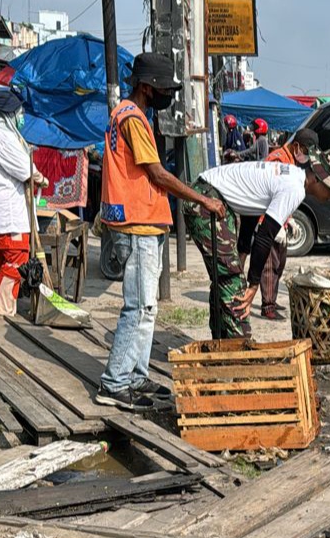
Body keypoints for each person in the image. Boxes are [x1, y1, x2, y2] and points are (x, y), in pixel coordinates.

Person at [95, 53, 226, 411]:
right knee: (138, 307)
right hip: (136, 223)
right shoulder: (132, 119)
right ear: (146, 87)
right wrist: (202, 199)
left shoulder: (129, 114)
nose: (167, 95)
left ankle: (135, 375)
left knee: (148, 308)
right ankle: (114, 383)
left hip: (143, 220)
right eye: (164, 89)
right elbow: (157, 174)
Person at [182, 148, 330, 338]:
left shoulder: (292, 175)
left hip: (211, 193)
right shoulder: (294, 188)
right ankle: (239, 344)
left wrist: (242, 254)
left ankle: (221, 341)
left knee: (225, 276)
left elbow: (251, 213)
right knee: (233, 281)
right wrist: (253, 285)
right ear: (317, 178)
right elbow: (264, 236)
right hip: (207, 200)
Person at [0, 91, 47, 316]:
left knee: (4, 260)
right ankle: (0, 307)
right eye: (17, 112)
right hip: (9, 213)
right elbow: (25, 169)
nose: (20, 116)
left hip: (4, 211)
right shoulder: (0, 136)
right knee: (16, 259)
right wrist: (40, 177)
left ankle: (0, 304)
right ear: (6, 114)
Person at [253, 127, 319, 320]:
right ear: (297, 146)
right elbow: (266, 195)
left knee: (280, 263)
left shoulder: (290, 161)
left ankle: (272, 299)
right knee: (269, 264)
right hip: (267, 220)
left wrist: (289, 220)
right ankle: (267, 305)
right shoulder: (278, 160)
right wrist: (272, 224)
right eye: (306, 151)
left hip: (279, 219)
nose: (306, 157)